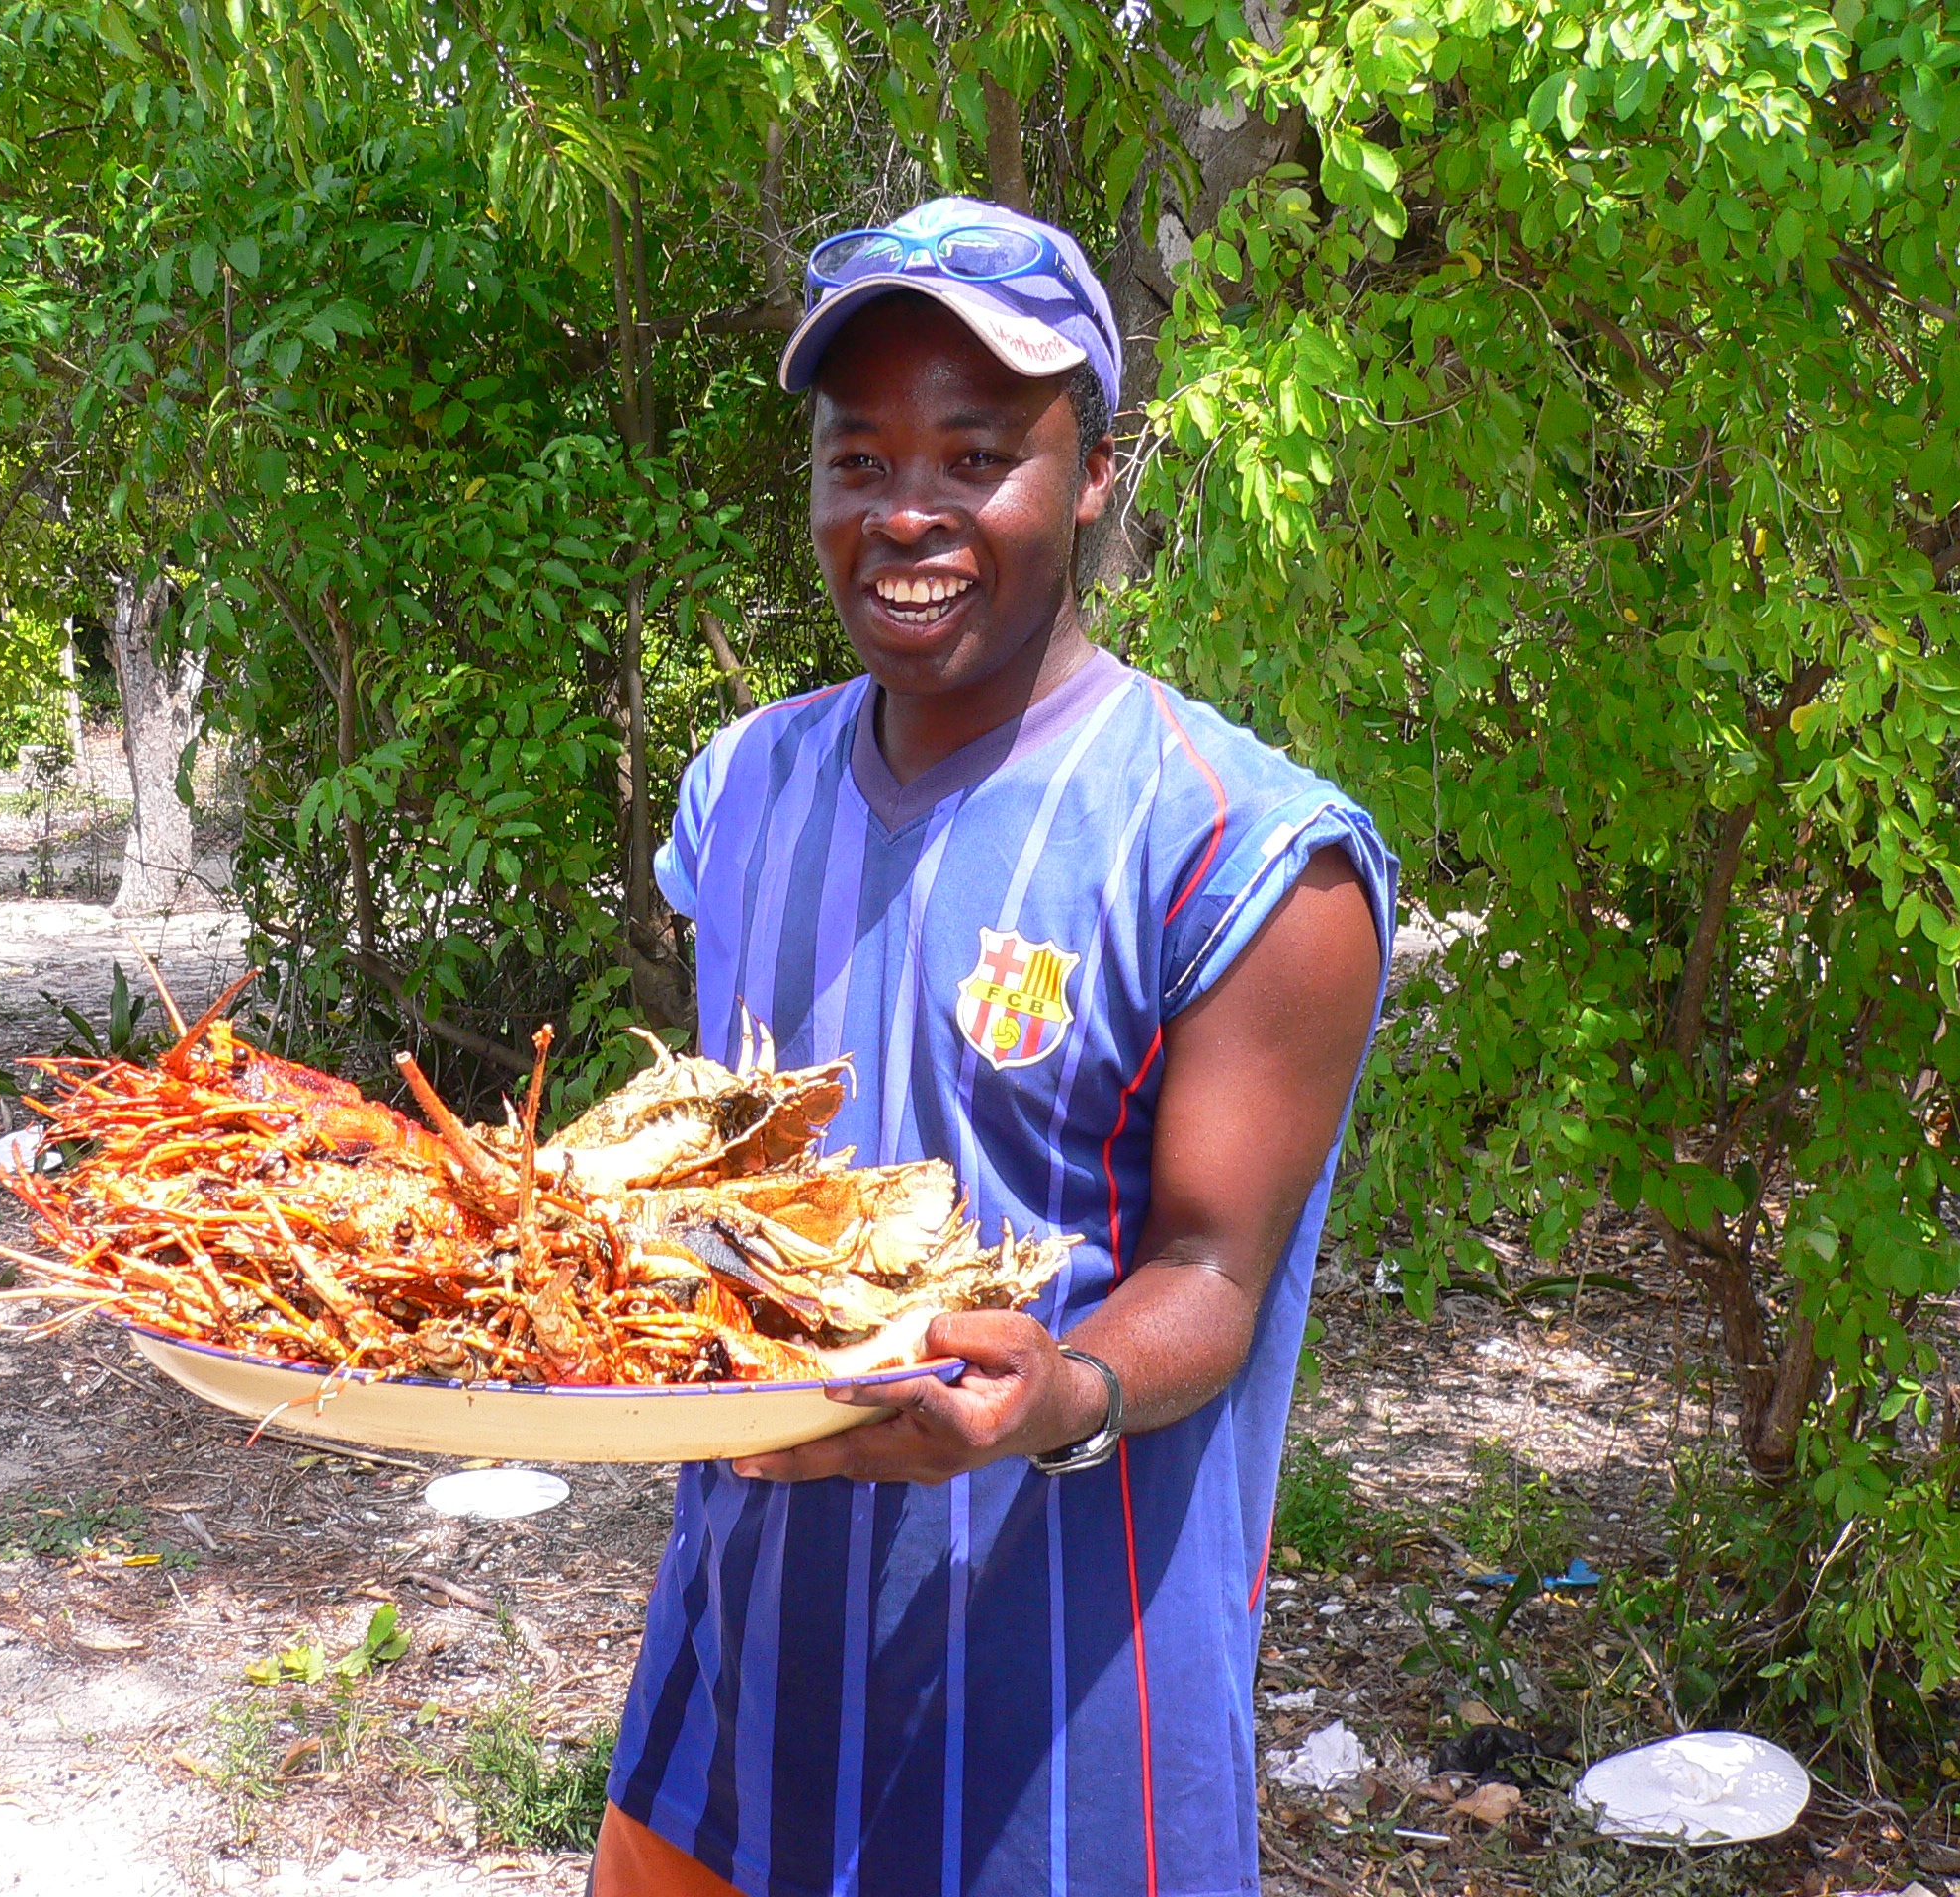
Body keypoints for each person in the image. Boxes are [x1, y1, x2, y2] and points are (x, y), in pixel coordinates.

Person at [593, 196, 1395, 1897]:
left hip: (1051, 1719)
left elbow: (1213, 1277)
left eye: (975, 454)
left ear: (1093, 474)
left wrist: (1066, 1387)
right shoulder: (739, 794)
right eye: (856, 456)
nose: (905, 513)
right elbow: (729, 1182)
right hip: (734, 1665)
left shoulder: (1245, 852)